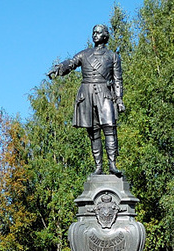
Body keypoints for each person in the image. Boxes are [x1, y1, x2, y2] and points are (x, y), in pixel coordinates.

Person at [48, 24, 126, 176]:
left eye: (98, 32)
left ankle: (112, 165)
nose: (95, 35)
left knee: (110, 128)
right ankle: (98, 167)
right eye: (93, 33)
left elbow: (118, 80)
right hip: (87, 94)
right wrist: (58, 69)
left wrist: (119, 99)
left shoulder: (113, 56)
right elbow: (71, 63)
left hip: (104, 94)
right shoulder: (85, 54)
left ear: (105, 35)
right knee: (93, 131)